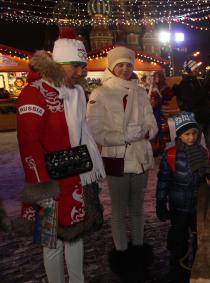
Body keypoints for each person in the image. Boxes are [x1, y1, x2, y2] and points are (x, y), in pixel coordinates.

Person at [16, 29, 105, 283]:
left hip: (74, 179)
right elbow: (29, 145)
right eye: (75, 66)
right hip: (46, 182)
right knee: (51, 243)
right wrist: (42, 188)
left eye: (83, 66)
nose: (81, 72)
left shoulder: (75, 93)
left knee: (75, 237)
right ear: (58, 64)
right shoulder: (34, 93)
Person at [86, 46, 157, 281]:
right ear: (112, 67)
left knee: (137, 208)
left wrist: (146, 132)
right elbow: (95, 131)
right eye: (121, 65)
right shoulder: (101, 93)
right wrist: (123, 137)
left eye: (128, 64)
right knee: (118, 210)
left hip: (139, 159)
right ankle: (122, 255)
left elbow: (152, 123)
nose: (125, 69)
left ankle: (138, 251)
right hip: (117, 158)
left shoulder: (139, 91)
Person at [156, 111, 210, 283]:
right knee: (178, 239)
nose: (191, 137)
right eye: (187, 134)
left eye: (194, 133)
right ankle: (177, 271)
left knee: (198, 238)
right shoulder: (171, 154)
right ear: (179, 135)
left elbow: (206, 177)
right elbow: (163, 180)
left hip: (197, 206)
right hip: (178, 206)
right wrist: (160, 202)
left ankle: (197, 268)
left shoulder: (202, 152)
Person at [173, 57, 210, 165]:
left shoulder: (198, 81)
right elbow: (195, 99)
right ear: (188, 70)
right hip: (196, 119)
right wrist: (206, 87)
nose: (197, 70)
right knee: (195, 143)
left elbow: (206, 97)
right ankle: (195, 164)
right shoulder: (184, 84)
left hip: (207, 117)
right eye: (195, 69)